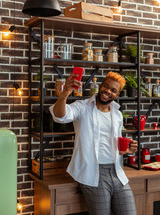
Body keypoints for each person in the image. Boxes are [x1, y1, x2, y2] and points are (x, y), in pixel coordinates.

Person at [49, 71, 138, 215]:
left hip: (117, 171)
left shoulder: (117, 114)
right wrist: (65, 93)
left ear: (117, 95)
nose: (107, 91)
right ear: (100, 86)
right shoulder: (83, 107)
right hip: (93, 173)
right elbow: (60, 116)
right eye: (106, 86)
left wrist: (124, 150)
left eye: (113, 90)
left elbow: (113, 145)